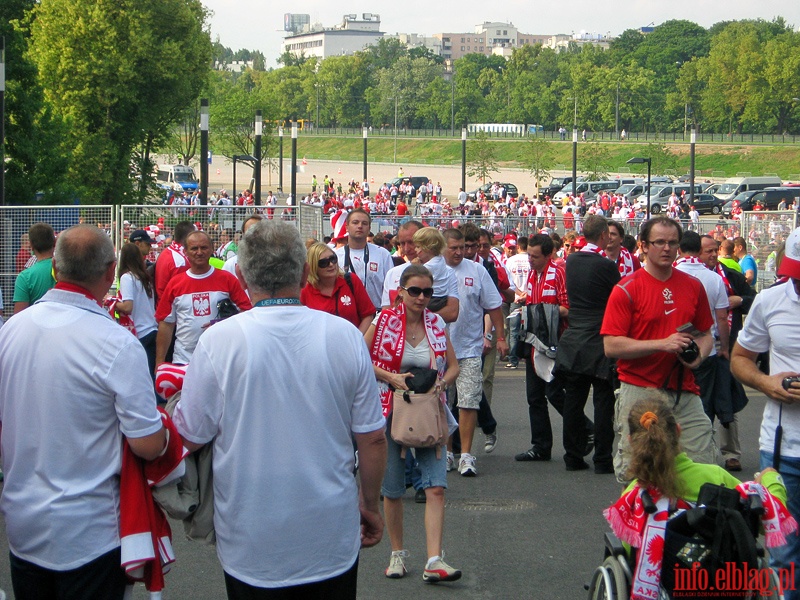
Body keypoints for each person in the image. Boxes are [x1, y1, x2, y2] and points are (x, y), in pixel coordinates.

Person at [173, 220, 386, 599]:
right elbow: (371, 439)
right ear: (304, 272)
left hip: (250, 537)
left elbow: (188, 435)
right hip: (329, 535)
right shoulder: (345, 336)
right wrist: (370, 505)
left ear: (240, 274)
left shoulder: (217, 341)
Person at [0, 225, 165, 599]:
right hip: (91, 532)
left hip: (24, 525)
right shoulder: (116, 342)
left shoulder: (10, 332)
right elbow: (148, 444)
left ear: (56, 270)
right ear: (111, 273)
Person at [604, 398, 790, 600]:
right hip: (721, 583)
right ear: (678, 431)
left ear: (631, 441)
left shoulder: (635, 496)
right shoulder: (716, 477)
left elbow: (629, 549)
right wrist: (771, 479)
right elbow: (761, 523)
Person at [601, 216, 717, 483]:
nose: (667, 248)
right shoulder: (626, 289)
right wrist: (662, 344)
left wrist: (697, 354)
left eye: (672, 243)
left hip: (684, 389)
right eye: (659, 242)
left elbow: (706, 334)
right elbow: (611, 345)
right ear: (643, 246)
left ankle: (688, 522)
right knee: (638, 470)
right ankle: (636, 522)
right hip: (640, 389)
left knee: (703, 465)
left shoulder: (693, 286)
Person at [365, 265, 461, 583]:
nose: (421, 298)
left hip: (428, 410)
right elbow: (361, 356)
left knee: (435, 488)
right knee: (392, 490)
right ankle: (398, 553)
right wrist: (390, 376)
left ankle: (434, 559)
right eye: (415, 291)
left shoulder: (436, 323)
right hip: (390, 410)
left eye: (428, 292)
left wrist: (442, 384)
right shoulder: (384, 321)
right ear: (401, 292)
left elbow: (454, 367)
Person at [731, 226, 800, 600]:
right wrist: (766, 383)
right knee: (783, 555)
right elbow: (740, 359)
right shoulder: (771, 300)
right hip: (783, 449)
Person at [556, 216, 620, 473]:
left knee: (574, 399)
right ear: (604, 235)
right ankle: (603, 459)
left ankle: (572, 456)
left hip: (575, 337)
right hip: (599, 336)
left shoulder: (571, 261)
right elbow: (618, 298)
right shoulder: (606, 266)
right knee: (603, 400)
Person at [443, 229, 508, 476]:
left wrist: (499, 336)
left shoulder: (477, 271)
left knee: (468, 400)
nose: (460, 252)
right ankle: (448, 453)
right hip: (440, 350)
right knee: (443, 403)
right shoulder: (434, 271)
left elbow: (493, 305)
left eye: (463, 247)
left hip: (470, 348)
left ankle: (467, 456)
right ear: (442, 248)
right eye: (454, 248)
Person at [155, 231, 252, 367]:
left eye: (204, 247)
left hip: (219, 360)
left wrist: (222, 322)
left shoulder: (227, 280)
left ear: (212, 249)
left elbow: (247, 313)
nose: (199, 252)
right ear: (186, 251)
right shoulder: (175, 284)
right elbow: (166, 324)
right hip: (183, 360)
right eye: (194, 248)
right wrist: (159, 362)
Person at [301, 242, 375, 333]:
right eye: (324, 263)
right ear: (313, 266)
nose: (331, 264)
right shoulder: (305, 291)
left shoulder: (351, 281)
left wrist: (357, 340)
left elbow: (368, 315)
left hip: (352, 343)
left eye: (333, 259)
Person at [335, 209, 394, 309]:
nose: (360, 226)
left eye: (364, 223)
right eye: (355, 222)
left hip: (376, 314)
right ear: (347, 227)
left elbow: (390, 288)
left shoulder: (383, 254)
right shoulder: (336, 256)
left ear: (369, 228)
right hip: (346, 314)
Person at [115, 243, 158, 377]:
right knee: (150, 376)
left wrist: (112, 303)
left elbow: (128, 307)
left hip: (140, 333)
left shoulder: (127, 278)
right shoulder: (145, 278)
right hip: (152, 329)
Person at [13, 222, 56, 314]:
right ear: (54, 243)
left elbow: (18, 316)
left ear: (31, 245)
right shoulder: (68, 271)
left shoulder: (24, 277)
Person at [154, 220, 195, 301]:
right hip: (171, 307)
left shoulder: (167, 251)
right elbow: (183, 292)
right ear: (189, 237)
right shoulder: (180, 261)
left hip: (164, 302)